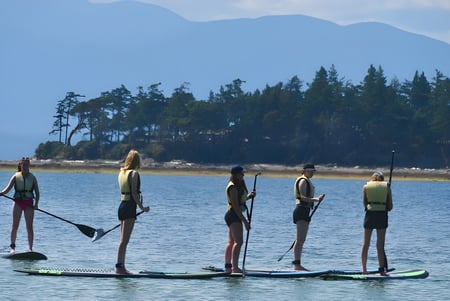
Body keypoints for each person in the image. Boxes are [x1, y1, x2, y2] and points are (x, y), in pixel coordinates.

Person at [115, 150, 150, 274]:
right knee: (125, 240)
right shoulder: (134, 173)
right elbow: (134, 194)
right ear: (137, 161)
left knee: (122, 240)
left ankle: (120, 266)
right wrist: (142, 208)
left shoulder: (122, 172)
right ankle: (120, 268)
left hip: (122, 206)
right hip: (129, 207)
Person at [0, 157, 40, 253]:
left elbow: (37, 193)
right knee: (15, 226)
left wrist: (36, 205)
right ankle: (12, 248)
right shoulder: (15, 176)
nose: (26, 167)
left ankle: (30, 248)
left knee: (29, 227)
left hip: (29, 204)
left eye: (27, 165)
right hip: (18, 203)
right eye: (24, 165)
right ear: (20, 166)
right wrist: (1, 193)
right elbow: (6, 190)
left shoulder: (33, 177)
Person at [292, 163, 325, 271]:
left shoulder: (306, 180)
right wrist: (316, 199)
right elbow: (302, 197)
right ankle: (297, 265)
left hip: (305, 211)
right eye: (310, 171)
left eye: (313, 171)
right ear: (305, 171)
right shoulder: (303, 181)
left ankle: (297, 264)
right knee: (300, 239)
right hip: (301, 210)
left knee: (302, 239)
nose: (312, 173)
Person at [224, 165, 256, 273]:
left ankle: (228, 267)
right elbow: (236, 206)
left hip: (233, 214)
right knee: (239, 242)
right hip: (233, 215)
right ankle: (234, 267)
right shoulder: (232, 187)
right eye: (241, 173)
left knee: (232, 242)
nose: (243, 175)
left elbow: (240, 200)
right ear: (235, 175)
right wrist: (245, 221)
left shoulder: (237, 186)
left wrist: (249, 196)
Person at [361, 171, 393, 275]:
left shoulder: (365, 187)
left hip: (369, 215)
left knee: (366, 244)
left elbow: (365, 204)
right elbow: (390, 206)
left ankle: (364, 270)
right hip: (382, 215)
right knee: (380, 245)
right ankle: (382, 271)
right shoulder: (387, 187)